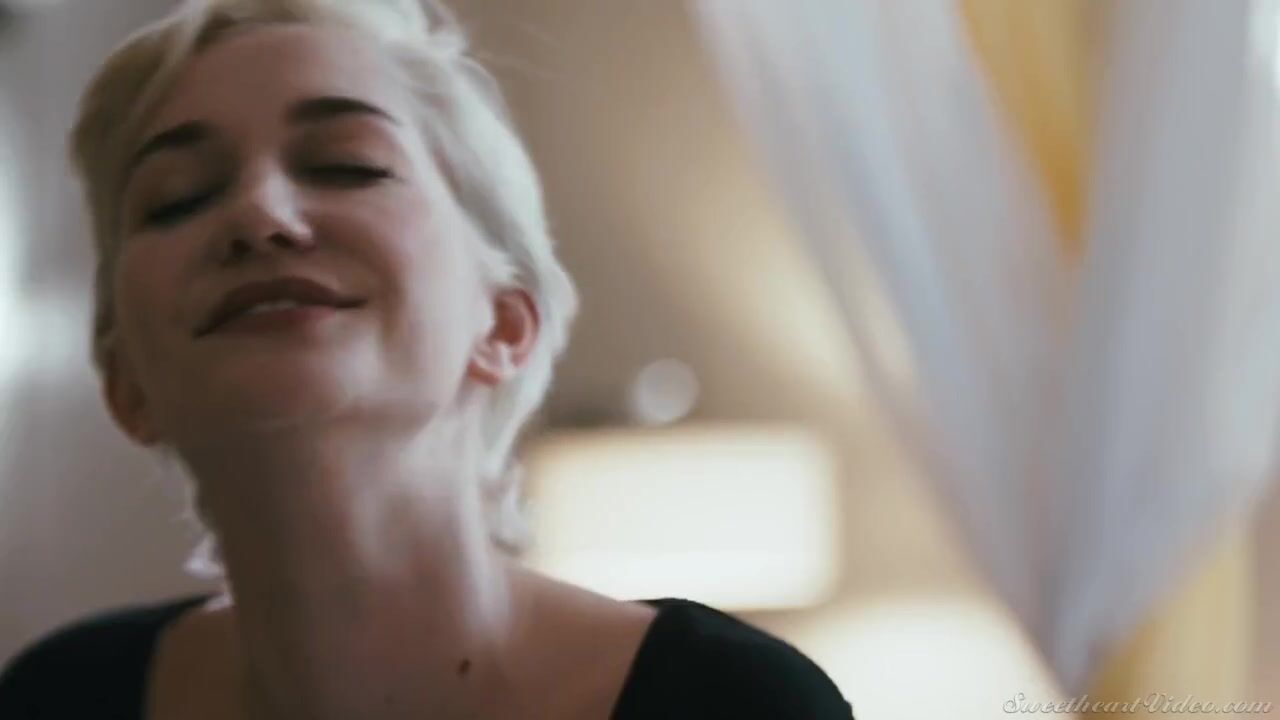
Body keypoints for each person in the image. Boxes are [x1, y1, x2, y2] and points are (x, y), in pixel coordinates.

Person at [0, 1, 855, 717]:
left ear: (503, 325)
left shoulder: (727, 702)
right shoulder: (59, 698)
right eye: (177, 198)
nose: (259, 214)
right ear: (126, 385)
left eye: (347, 165)